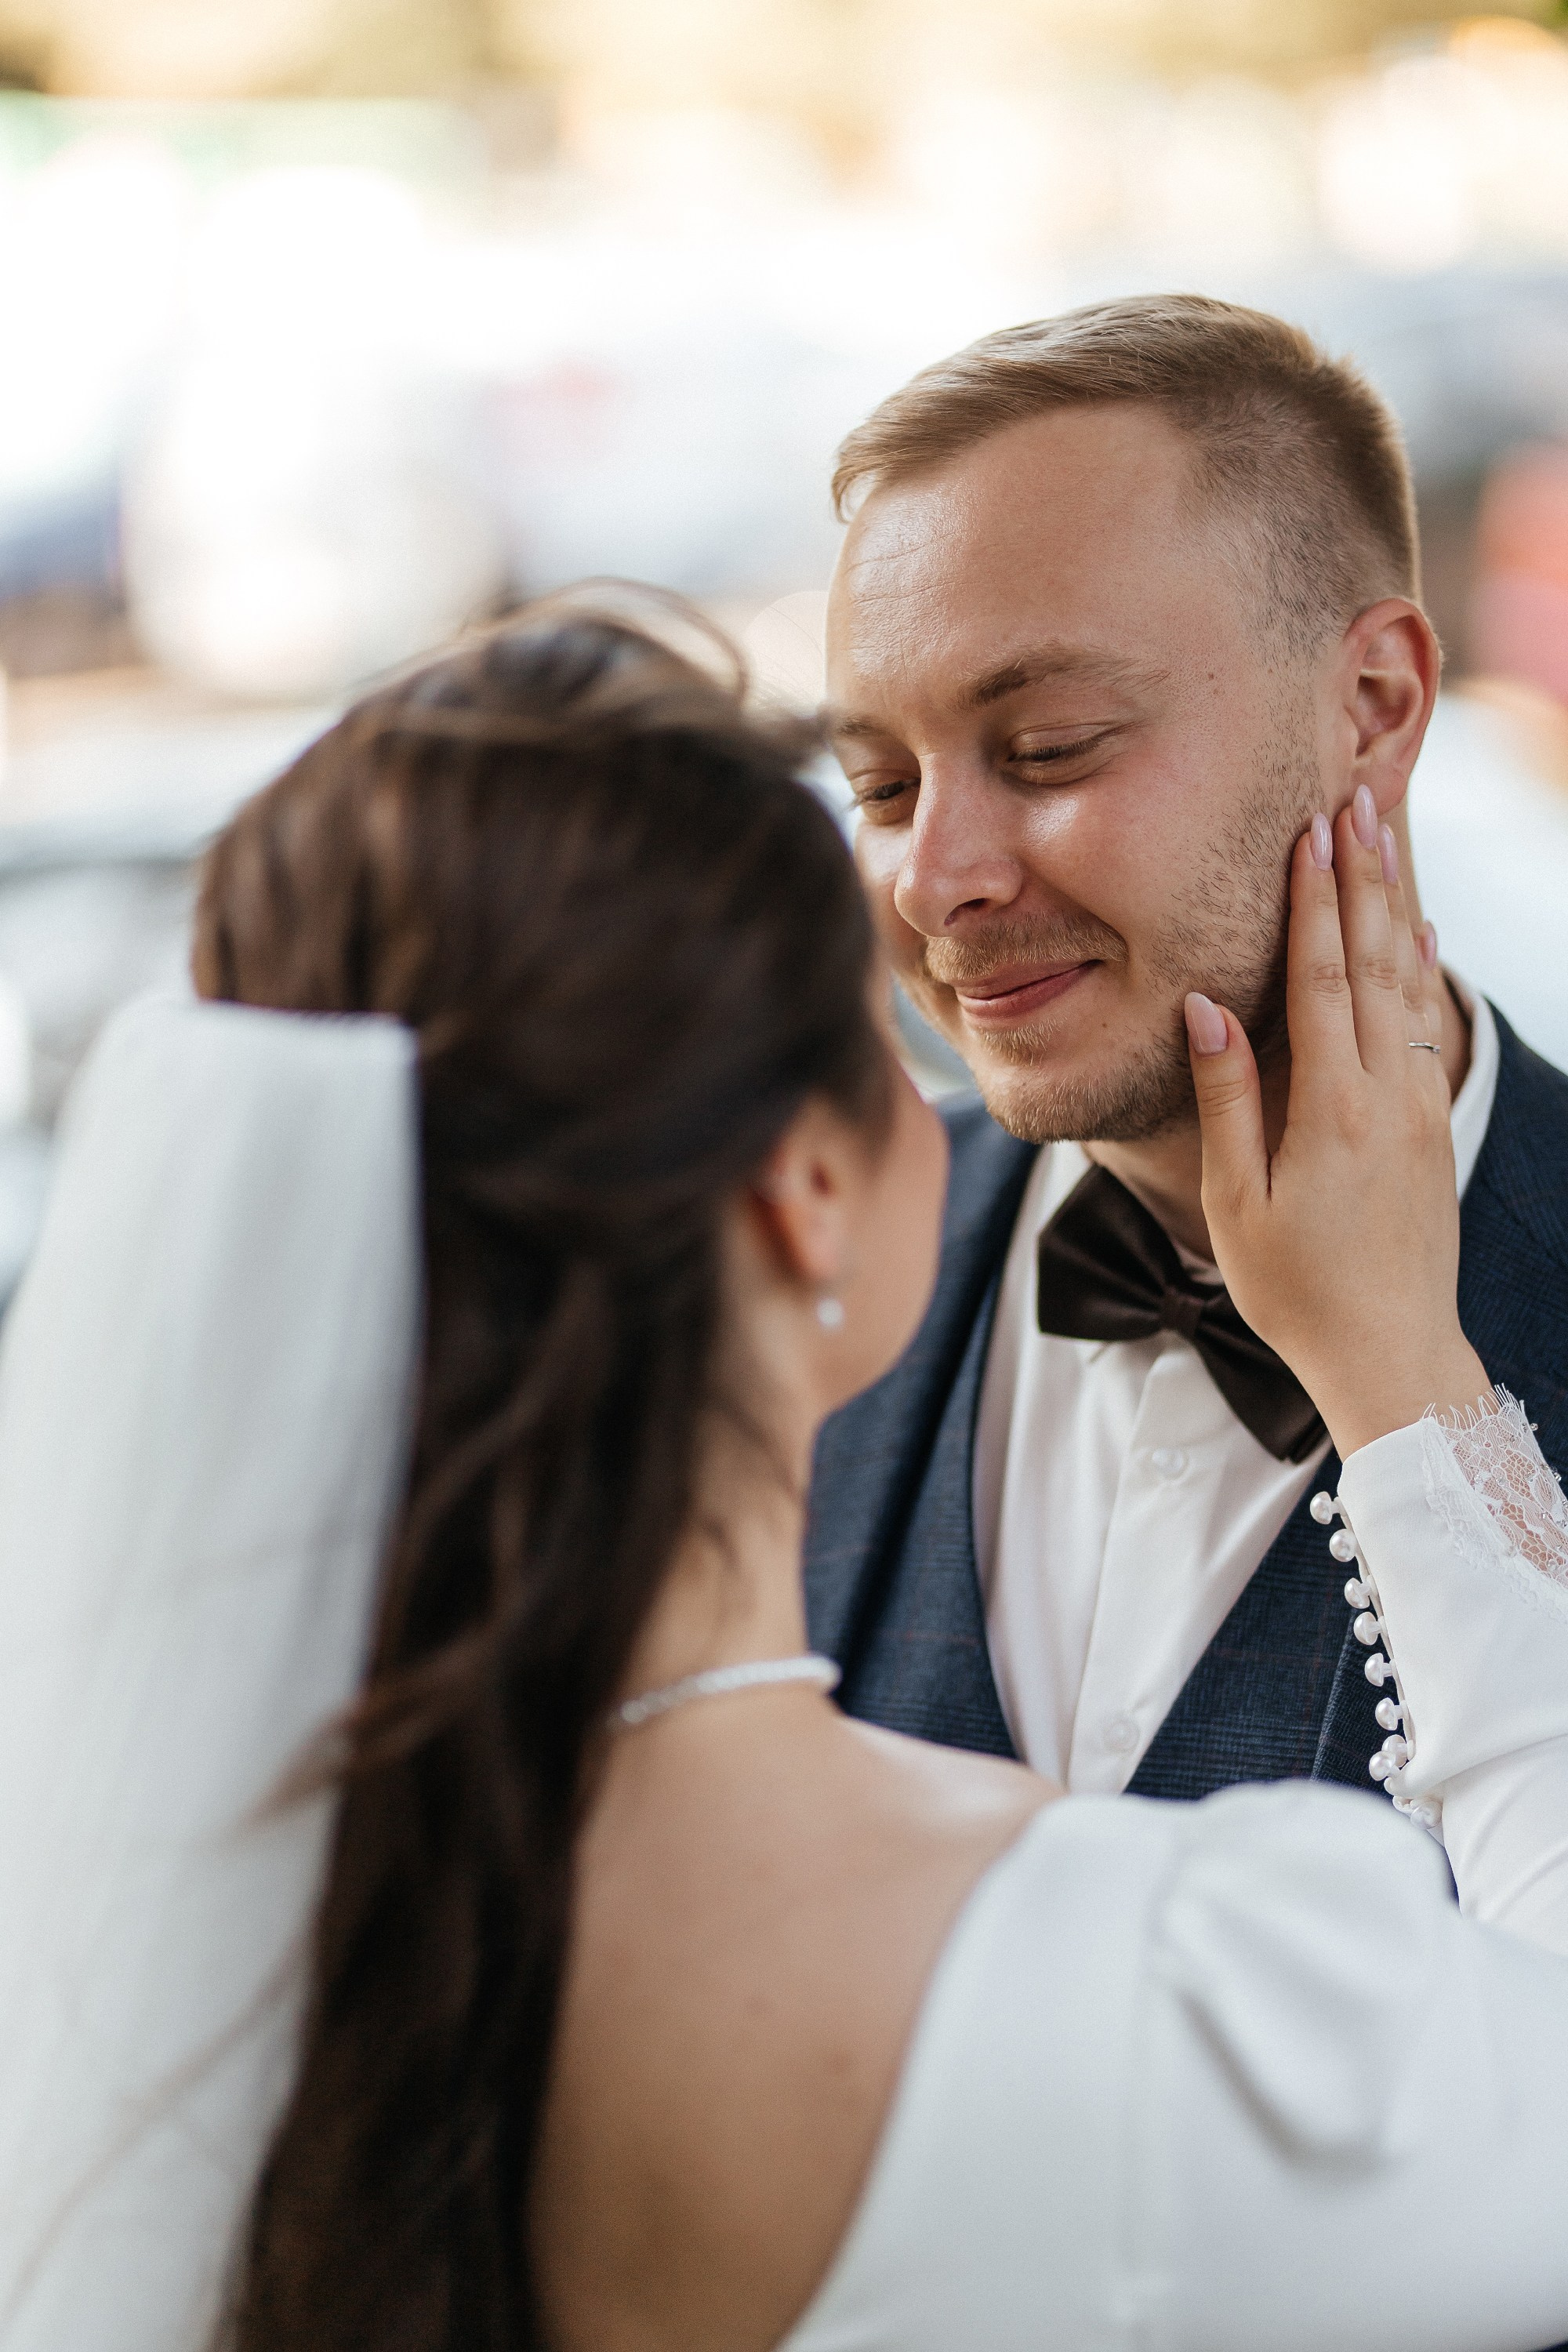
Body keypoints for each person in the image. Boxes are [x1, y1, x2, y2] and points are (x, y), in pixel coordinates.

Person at [6, 599, 1568, 2350]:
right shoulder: (1136, 1997)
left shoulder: (174, 1946)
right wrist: (1403, 1396)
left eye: (1048, 752)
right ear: (797, 1194)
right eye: (875, 1039)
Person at [811, 292, 1568, 1804]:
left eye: (1049, 749)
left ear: (1375, 705)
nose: (932, 875)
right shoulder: (797, 1275)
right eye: (884, 785)